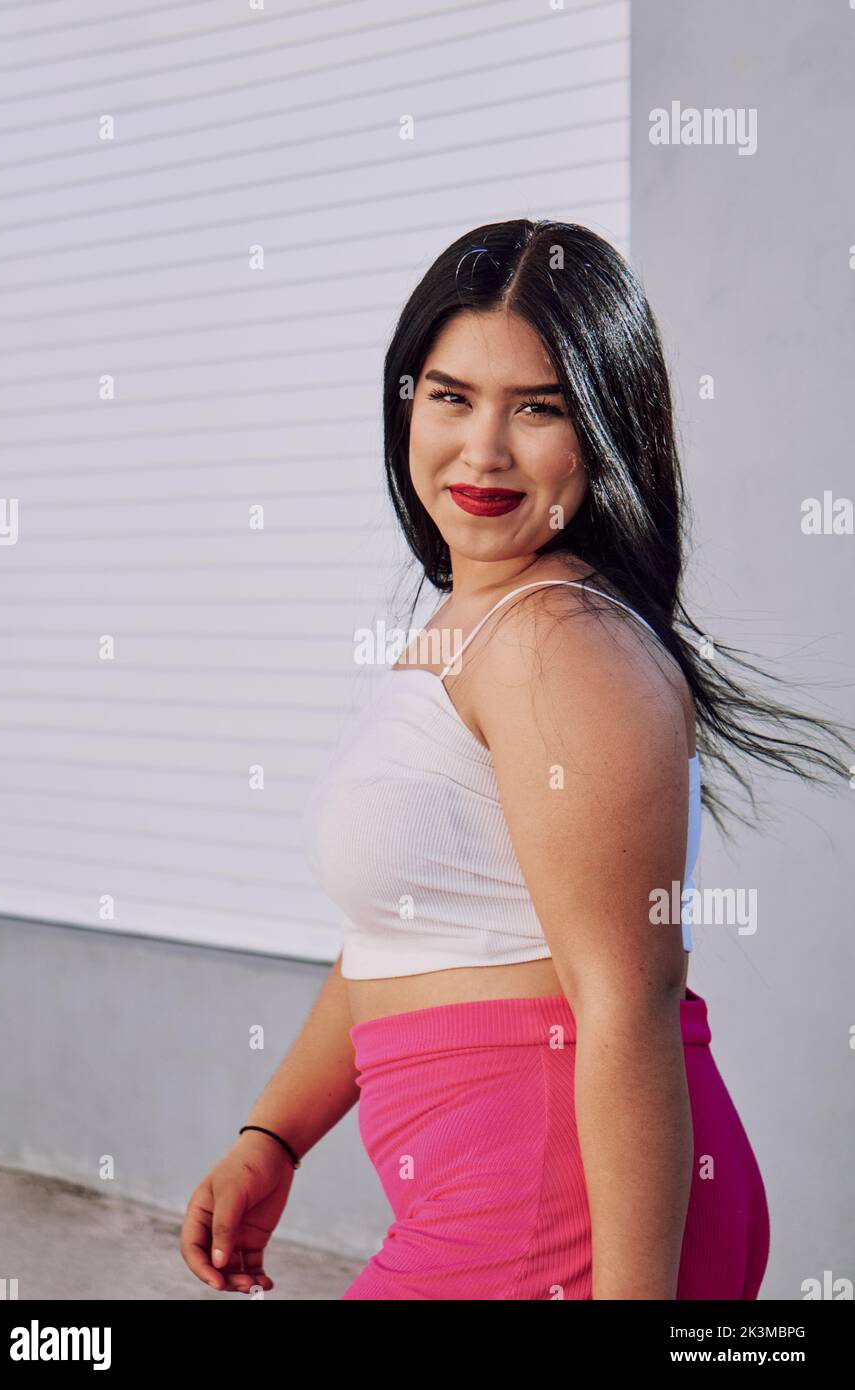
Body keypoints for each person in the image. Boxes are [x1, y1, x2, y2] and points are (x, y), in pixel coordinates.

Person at [180, 220, 853, 1299]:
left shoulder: (560, 642)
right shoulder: (476, 621)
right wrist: (277, 1134)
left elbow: (627, 1000)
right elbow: (393, 931)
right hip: (493, 1194)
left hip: (558, 1210)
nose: (483, 451)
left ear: (606, 427)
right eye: (450, 396)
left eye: (536, 407)